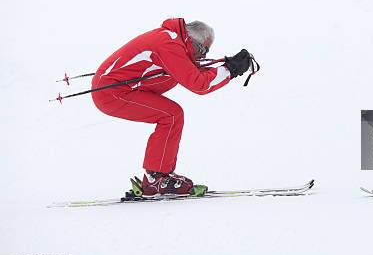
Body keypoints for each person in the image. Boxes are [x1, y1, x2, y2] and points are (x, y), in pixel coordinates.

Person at [91, 18, 252, 197]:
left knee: (172, 114)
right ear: (193, 41)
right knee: (171, 115)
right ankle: (156, 178)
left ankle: (157, 176)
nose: (204, 56)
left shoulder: (174, 39)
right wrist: (230, 70)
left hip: (117, 88)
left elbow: (190, 69)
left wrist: (226, 65)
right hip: (111, 93)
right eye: (204, 50)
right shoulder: (169, 45)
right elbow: (199, 84)